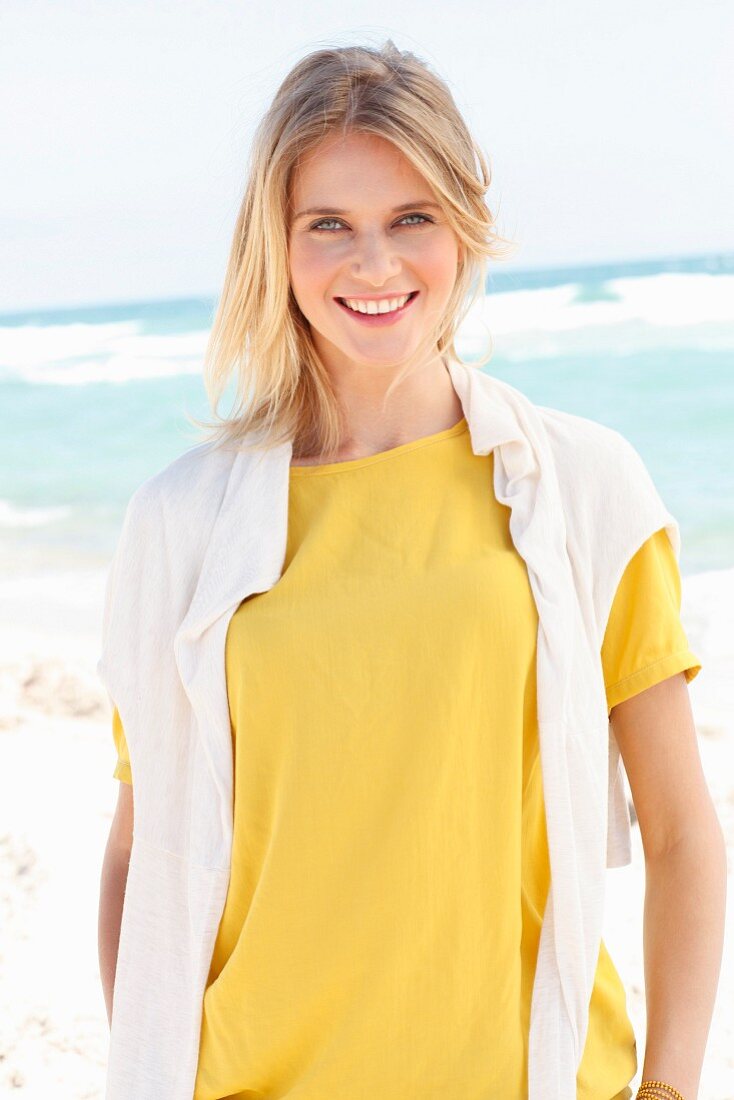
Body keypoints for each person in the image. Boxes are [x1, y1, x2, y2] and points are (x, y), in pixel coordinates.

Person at [97, 40, 726, 1100]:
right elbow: (140, 852)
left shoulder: (584, 486)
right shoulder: (178, 523)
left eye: (411, 218)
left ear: (463, 229)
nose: (374, 264)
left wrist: (664, 1088)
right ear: (276, 245)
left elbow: (679, 831)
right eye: (328, 224)